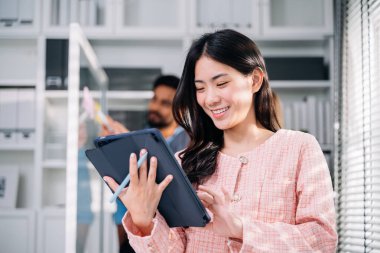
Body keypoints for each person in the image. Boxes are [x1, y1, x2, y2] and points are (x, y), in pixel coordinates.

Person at [104, 29, 338, 252]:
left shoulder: (299, 148)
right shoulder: (184, 161)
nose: (210, 98)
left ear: (255, 80)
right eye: (200, 88)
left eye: (221, 83)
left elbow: (322, 241)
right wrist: (144, 222)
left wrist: (241, 229)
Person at [102, 75, 189, 253]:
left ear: (179, 110)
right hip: (129, 226)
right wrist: (115, 146)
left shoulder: (187, 142)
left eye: (165, 103)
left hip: (165, 235)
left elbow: (172, 182)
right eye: (155, 99)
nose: (155, 107)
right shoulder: (141, 137)